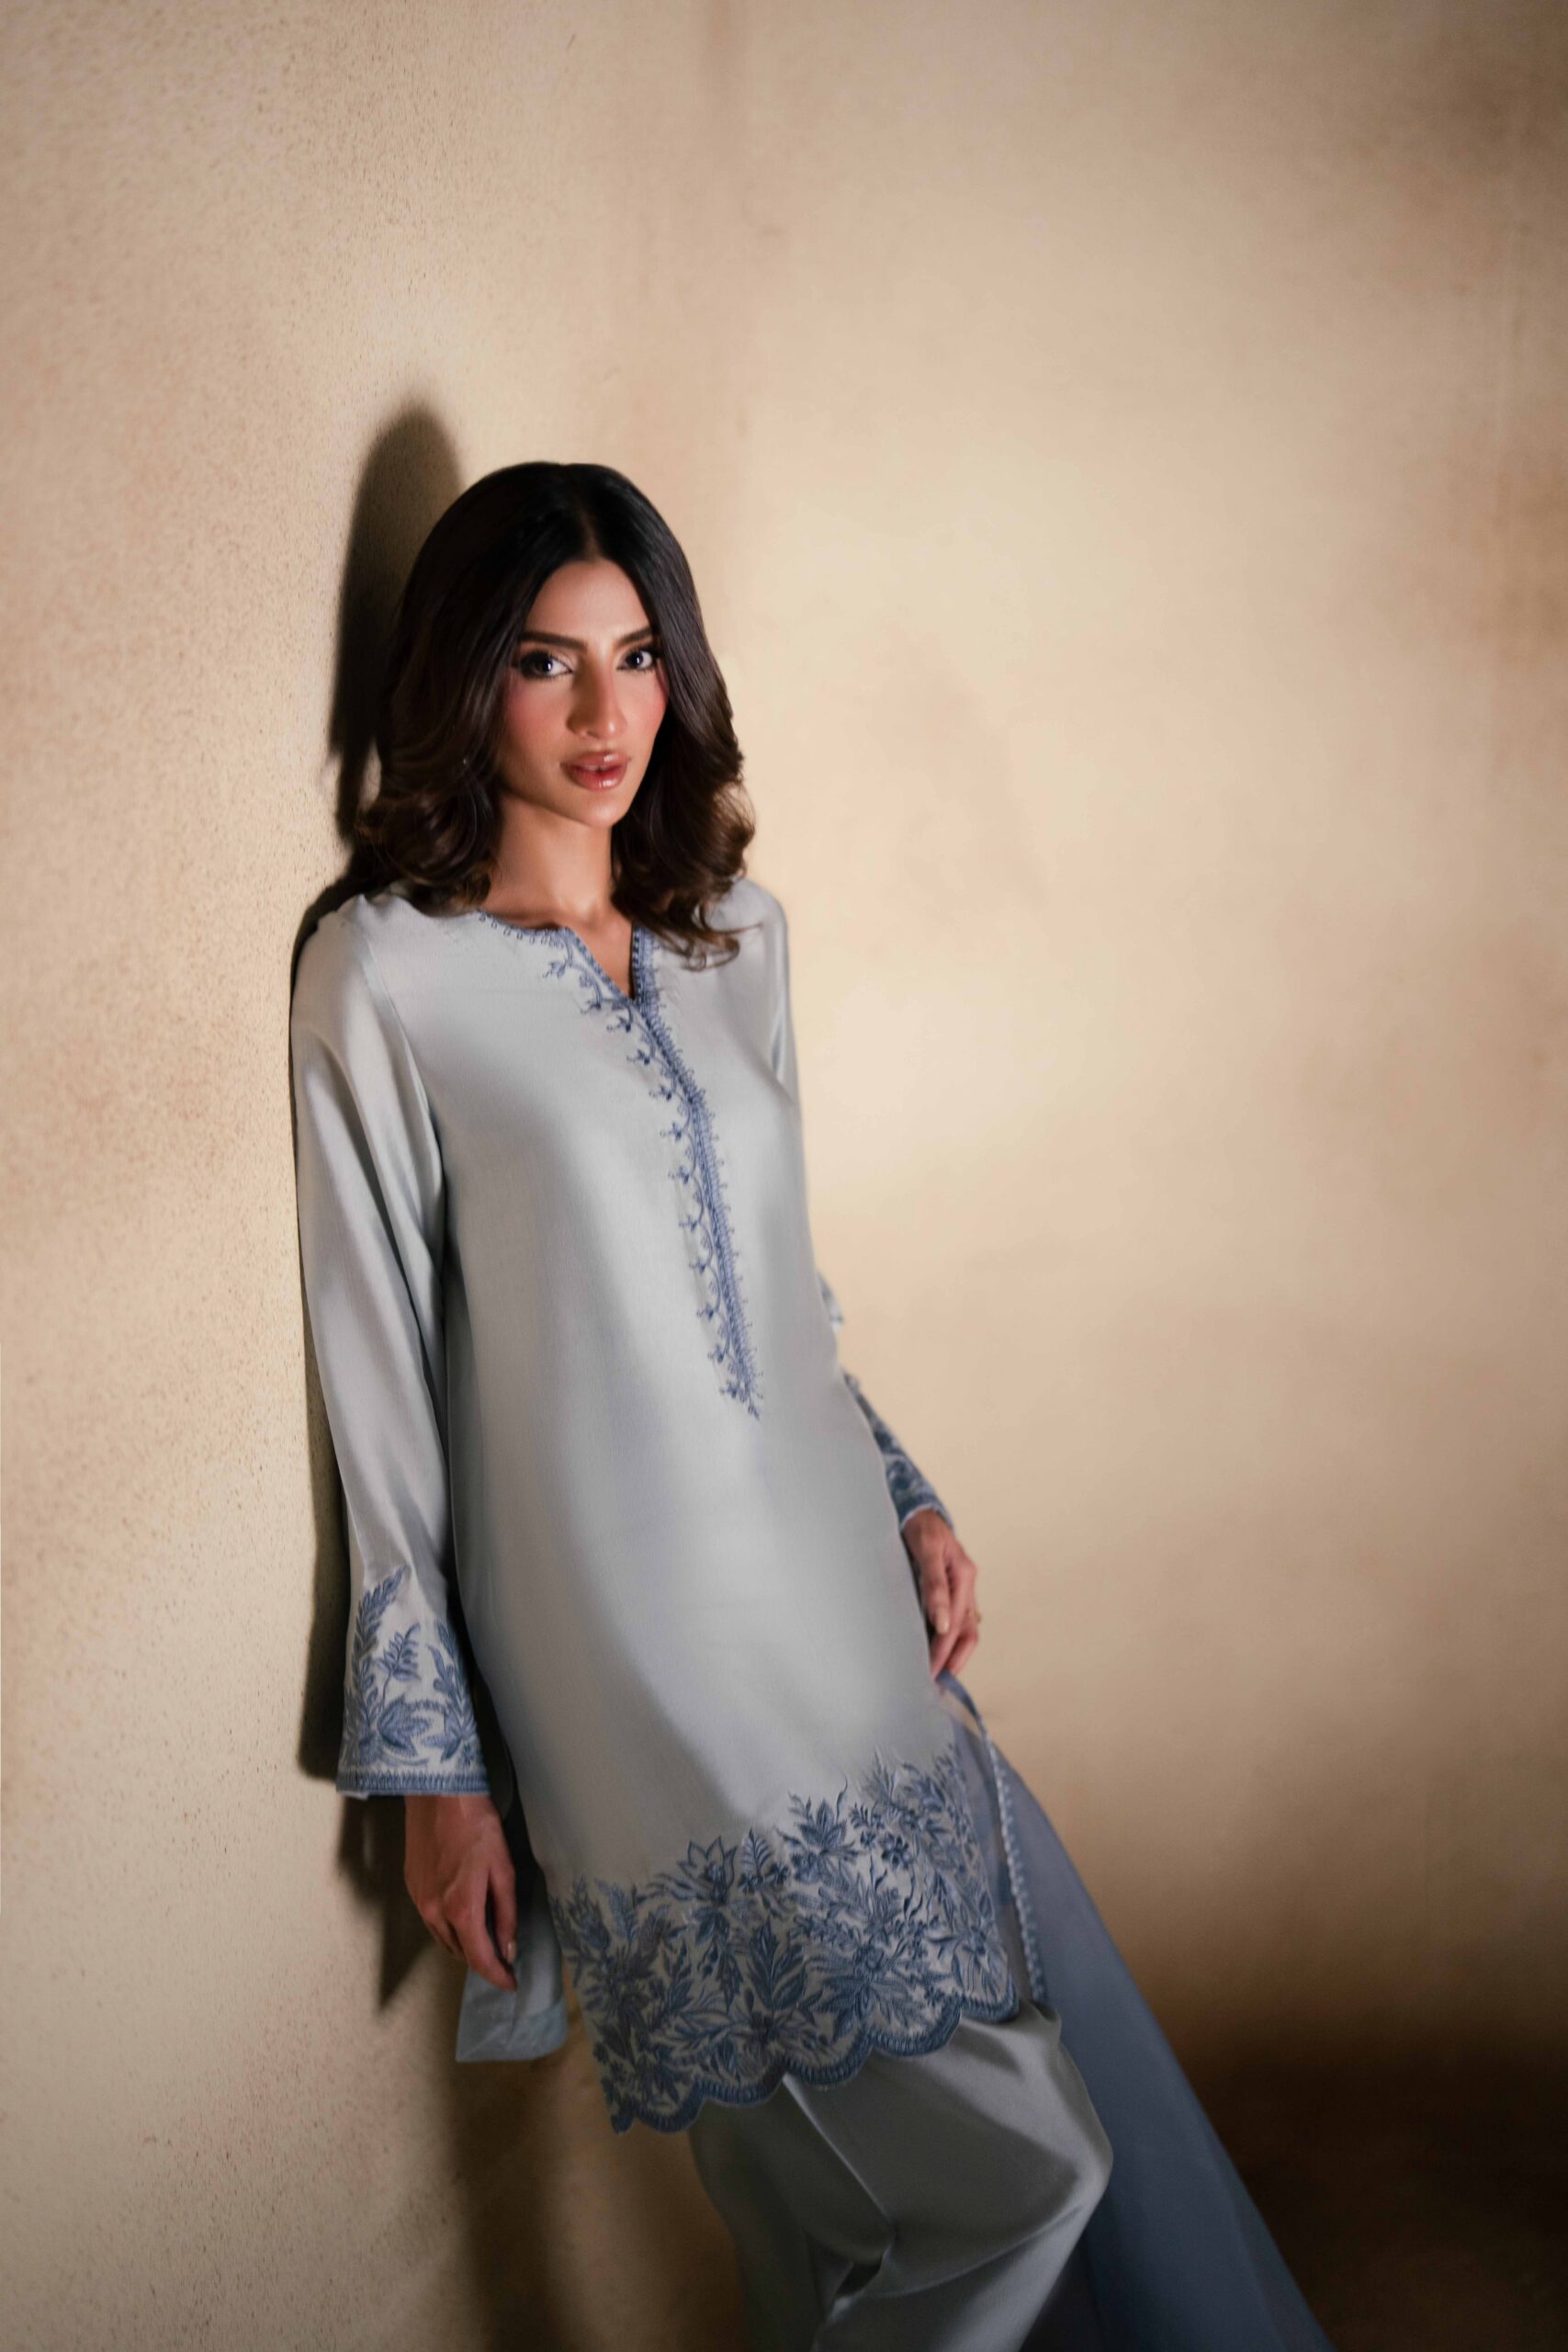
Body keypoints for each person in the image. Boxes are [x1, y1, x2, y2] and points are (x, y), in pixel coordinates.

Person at [289, 461, 1337, 2351]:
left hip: (836, 1604)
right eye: (544, 661)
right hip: (635, 1654)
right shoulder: (386, 974)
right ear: (463, 677)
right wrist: (436, 1769)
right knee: (1022, 2171)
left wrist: (904, 1493)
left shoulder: (733, 936)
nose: (603, 714)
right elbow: (377, 1381)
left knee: (827, 2209)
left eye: (635, 657)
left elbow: (783, 1293)